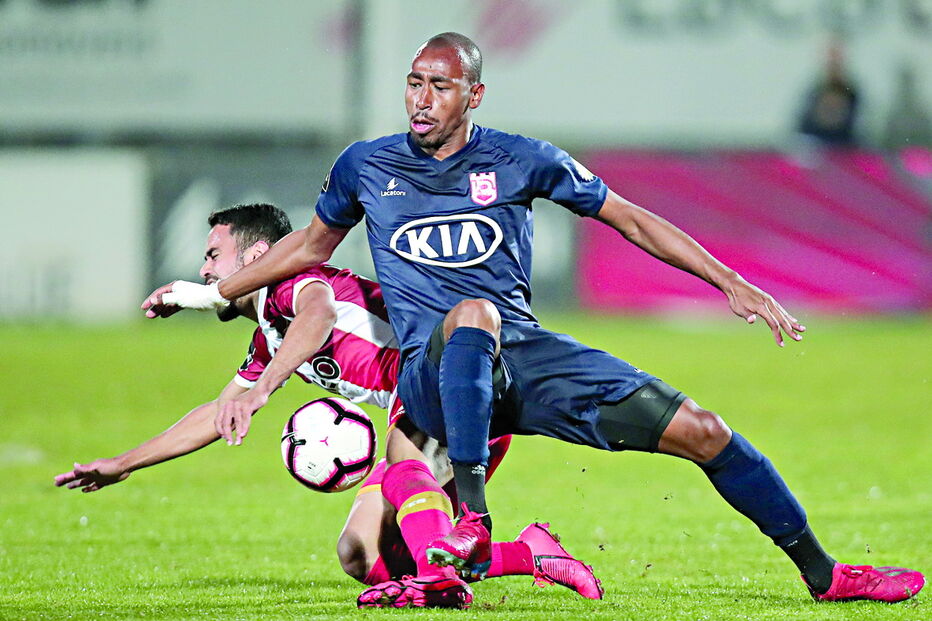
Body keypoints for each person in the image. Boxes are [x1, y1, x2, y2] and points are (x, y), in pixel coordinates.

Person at [143, 34, 925, 606]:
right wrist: (214, 293)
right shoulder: (366, 166)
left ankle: (828, 576)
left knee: (706, 430)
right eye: (414, 82)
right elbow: (311, 245)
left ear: (473, 96)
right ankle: (474, 522)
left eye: (439, 86)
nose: (420, 98)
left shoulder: (520, 159)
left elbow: (630, 218)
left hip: (522, 355)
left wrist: (729, 279)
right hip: (431, 361)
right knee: (460, 330)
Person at [57, 203, 603, 610]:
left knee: (410, 485)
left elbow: (316, 318)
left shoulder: (294, 284)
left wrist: (265, 388)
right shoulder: (269, 338)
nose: (203, 272)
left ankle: (443, 584)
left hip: (450, 388)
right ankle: (530, 553)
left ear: (254, 258)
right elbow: (215, 411)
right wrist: (122, 464)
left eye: (212, 255)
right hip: (418, 411)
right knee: (360, 554)